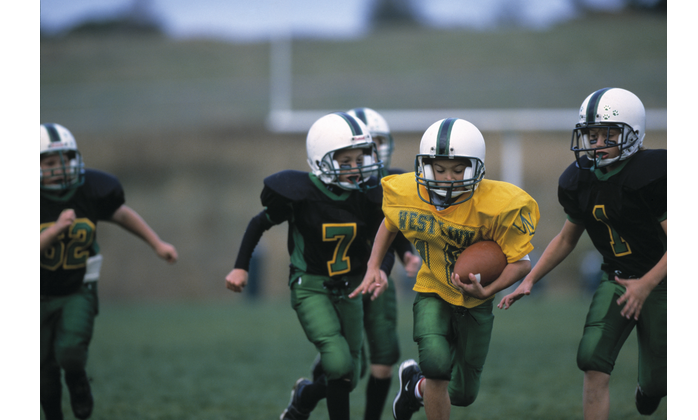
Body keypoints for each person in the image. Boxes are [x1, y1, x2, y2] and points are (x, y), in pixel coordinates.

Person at [351, 118, 540, 420]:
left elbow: (521, 263)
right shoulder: (409, 193)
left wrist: (488, 290)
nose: (447, 177)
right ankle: (425, 378)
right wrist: (374, 265)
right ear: (426, 166)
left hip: (475, 303)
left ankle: (415, 387)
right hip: (433, 290)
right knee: (437, 366)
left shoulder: (498, 205)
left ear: (476, 168)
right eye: (439, 169)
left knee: (463, 394)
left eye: (457, 169)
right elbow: (390, 223)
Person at [498, 87, 667, 419]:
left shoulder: (653, 173)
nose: (597, 143)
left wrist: (647, 283)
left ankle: (651, 389)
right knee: (592, 360)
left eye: (608, 135)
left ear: (632, 134)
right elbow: (566, 238)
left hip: (663, 282)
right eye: (592, 134)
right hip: (616, 279)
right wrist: (531, 279)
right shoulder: (578, 180)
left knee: (658, 382)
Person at [224, 112, 398, 420]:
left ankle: (305, 394)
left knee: (350, 374)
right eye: (346, 161)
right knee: (338, 363)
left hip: (352, 288)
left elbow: (385, 238)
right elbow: (258, 223)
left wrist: (381, 269)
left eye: (360, 159)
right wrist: (241, 266)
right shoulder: (301, 194)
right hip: (312, 287)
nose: (356, 168)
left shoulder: (368, 195)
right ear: (321, 160)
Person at [40, 123, 178, 420]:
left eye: (65, 160)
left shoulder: (90, 189)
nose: (61, 169)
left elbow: (121, 214)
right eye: (51, 162)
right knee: (43, 371)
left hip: (78, 287)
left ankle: (77, 380)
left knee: (70, 352)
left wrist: (156, 243)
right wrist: (54, 231)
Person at [344, 107, 421, 420]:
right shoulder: (333, 188)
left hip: (381, 277)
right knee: (345, 362)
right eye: (366, 143)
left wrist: (406, 253)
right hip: (343, 278)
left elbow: (391, 222)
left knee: (384, 356)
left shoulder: (393, 181)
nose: (373, 149)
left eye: (377, 140)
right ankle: (309, 391)